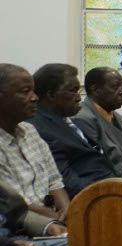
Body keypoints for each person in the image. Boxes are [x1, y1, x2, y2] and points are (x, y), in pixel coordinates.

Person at [27, 64, 119, 198]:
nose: (79, 98)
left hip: (113, 184)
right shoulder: (41, 129)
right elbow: (66, 182)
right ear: (51, 94)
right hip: (98, 197)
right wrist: (112, 192)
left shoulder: (63, 119)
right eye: (73, 91)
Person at [0, 64, 71, 226]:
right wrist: (53, 221)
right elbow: (12, 204)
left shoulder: (30, 130)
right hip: (20, 227)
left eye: (33, 91)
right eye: (25, 91)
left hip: (55, 220)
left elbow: (54, 180)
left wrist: (66, 210)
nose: (35, 98)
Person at [74, 67, 122, 178]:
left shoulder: (117, 117)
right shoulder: (82, 119)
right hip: (117, 183)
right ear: (95, 90)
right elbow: (99, 168)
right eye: (115, 87)